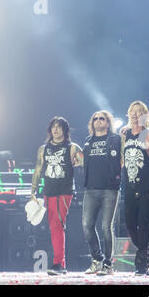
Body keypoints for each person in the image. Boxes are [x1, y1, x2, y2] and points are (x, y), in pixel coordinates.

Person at [30, 116, 83, 275]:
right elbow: (38, 169)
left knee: (58, 226)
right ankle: (60, 264)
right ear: (50, 129)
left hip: (64, 191)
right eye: (53, 126)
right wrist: (33, 190)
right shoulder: (43, 149)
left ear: (65, 130)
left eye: (59, 126)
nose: (56, 129)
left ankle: (59, 264)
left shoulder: (72, 147)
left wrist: (78, 161)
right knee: (54, 227)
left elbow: (84, 160)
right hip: (49, 191)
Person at [121, 100, 149, 276]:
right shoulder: (125, 134)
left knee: (143, 224)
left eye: (139, 111)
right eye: (133, 111)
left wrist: (148, 139)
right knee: (130, 224)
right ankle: (146, 249)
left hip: (147, 186)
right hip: (129, 185)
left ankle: (141, 264)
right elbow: (122, 160)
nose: (135, 114)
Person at [82, 110, 121, 276]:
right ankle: (97, 259)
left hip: (109, 189)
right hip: (90, 189)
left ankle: (108, 264)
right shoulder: (88, 141)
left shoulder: (116, 139)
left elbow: (124, 158)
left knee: (106, 227)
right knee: (86, 226)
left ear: (108, 122)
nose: (98, 121)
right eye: (95, 118)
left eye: (102, 118)